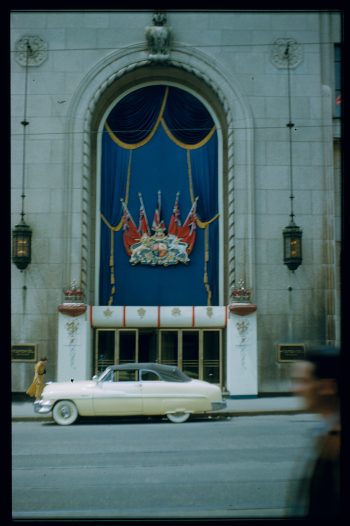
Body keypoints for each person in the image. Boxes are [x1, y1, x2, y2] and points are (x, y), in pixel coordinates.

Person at [286, 346, 341, 518]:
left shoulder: (336, 438)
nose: (295, 389)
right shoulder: (324, 431)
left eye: (304, 381)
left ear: (328, 386)